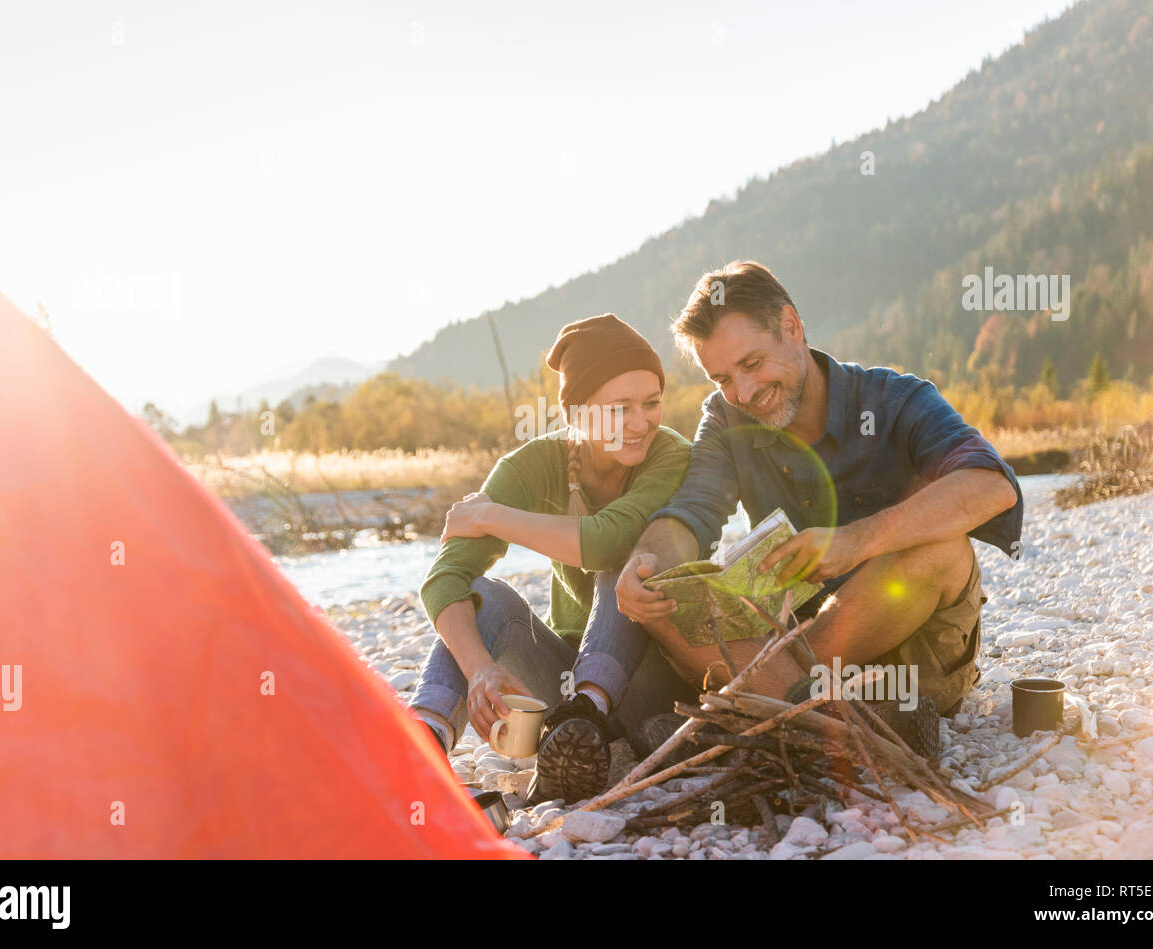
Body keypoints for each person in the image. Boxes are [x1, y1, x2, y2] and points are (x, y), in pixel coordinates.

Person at [613, 260, 1024, 739]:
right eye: (722, 378)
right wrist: (647, 563)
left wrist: (856, 540)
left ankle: (780, 713)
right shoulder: (726, 419)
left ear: (791, 326)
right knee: (661, 595)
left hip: (910, 658)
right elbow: (692, 510)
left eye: (752, 364)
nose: (742, 391)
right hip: (792, 648)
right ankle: (822, 719)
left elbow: (991, 483)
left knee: (943, 550)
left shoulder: (896, 398)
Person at [410, 313, 697, 803]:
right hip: (563, 681)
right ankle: (422, 742)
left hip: (659, 680)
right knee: (483, 596)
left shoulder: (670, 455)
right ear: (578, 413)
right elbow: (445, 578)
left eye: (651, 403)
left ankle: (586, 714)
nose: (640, 422)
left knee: (629, 561)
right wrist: (481, 669)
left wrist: (494, 517)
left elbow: (609, 541)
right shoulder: (531, 467)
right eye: (619, 407)